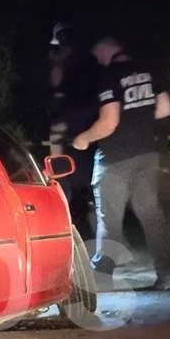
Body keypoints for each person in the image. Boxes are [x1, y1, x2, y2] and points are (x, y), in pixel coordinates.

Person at [72, 36, 170, 290]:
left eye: (98, 54)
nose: (97, 60)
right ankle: (167, 275)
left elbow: (109, 122)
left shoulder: (109, 76)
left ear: (107, 50)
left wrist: (83, 139)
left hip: (115, 159)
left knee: (109, 219)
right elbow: (165, 109)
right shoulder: (148, 71)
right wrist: (138, 119)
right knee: (151, 215)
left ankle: (103, 276)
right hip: (147, 154)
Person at [48, 22, 99, 241]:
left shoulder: (67, 62)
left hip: (74, 126)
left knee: (76, 188)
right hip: (87, 125)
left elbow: (56, 84)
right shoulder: (89, 60)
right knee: (84, 186)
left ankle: (83, 237)